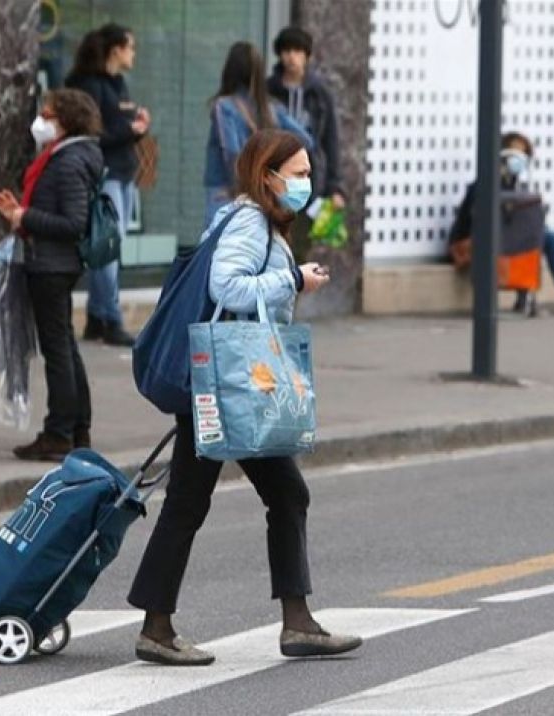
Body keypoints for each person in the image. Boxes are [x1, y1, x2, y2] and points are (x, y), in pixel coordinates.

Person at [127, 129, 360, 666]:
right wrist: (293, 280)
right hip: (230, 384)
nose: (306, 183)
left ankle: (282, 623)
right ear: (268, 176)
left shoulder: (247, 218)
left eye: (307, 173)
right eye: (298, 174)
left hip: (232, 382)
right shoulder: (252, 222)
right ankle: (165, 628)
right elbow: (226, 287)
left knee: (259, 496)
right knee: (251, 496)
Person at [0, 89, 104, 460]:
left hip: (52, 264)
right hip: (54, 262)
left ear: (66, 122)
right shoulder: (65, 156)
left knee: (58, 349)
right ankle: (77, 428)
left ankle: (59, 432)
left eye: (48, 115)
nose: (41, 120)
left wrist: (24, 217)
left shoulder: (68, 162)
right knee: (64, 345)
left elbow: (73, 222)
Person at [449, 132, 554, 317]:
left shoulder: (518, 188)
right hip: (471, 242)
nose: (517, 160)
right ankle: (544, 296)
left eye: (522, 155)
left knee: (544, 238)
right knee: (531, 238)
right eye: (512, 154)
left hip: (505, 240)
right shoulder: (483, 185)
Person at [65, 23, 146, 347]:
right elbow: (94, 134)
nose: (133, 54)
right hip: (106, 174)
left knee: (111, 246)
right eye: (130, 47)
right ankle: (109, 317)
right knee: (107, 248)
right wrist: (131, 131)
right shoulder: (91, 86)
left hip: (124, 171)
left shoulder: (117, 83)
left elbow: (119, 124)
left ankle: (99, 317)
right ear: (116, 50)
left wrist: (135, 127)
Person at [203, 42, 313, 229]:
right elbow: (306, 140)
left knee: (220, 248)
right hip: (266, 192)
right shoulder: (272, 108)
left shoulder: (225, 106)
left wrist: (242, 188)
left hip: (226, 191)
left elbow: (231, 153)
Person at [266, 27, 344, 260]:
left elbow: (331, 141)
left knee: (298, 251)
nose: (291, 57)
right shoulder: (268, 90)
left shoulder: (320, 94)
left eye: (297, 51)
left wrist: (335, 188)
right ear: (279, 54)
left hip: (308, 183)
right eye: (287, 51)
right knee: (269, 248)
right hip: (273, 181)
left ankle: (292, 295)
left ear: (307, 55)